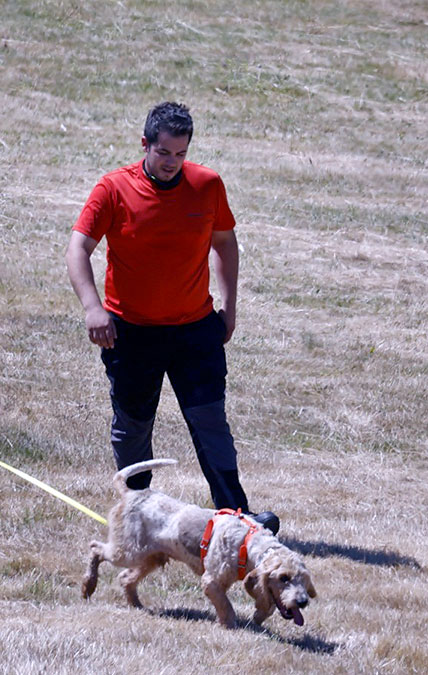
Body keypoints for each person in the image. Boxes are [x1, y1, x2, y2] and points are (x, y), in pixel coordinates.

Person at [65, 101, 278, 532]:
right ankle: (136, 516)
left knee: (210, 421)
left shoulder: (207, 185)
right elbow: (78, 249)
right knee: (134, 425)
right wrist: (93, 307)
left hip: (194, 330)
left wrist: (229, 306)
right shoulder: (113, 189)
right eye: (164, 153)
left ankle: (235, 516)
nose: (172, 163)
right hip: (131, 333)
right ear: (145, 144)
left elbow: (225, 244)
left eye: (181, 154)